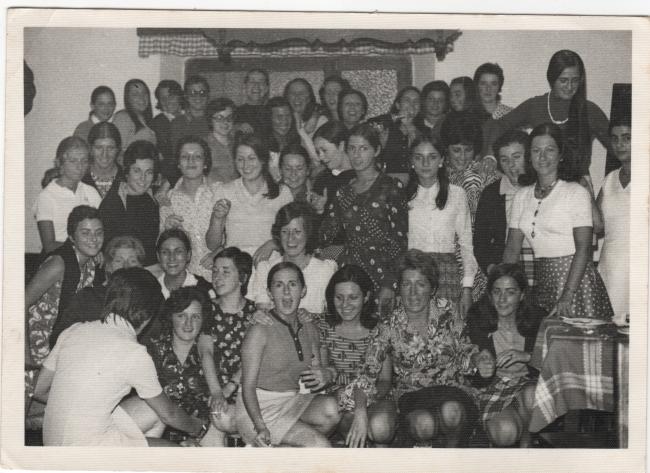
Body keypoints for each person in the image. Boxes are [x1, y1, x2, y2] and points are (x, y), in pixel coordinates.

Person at [32, 267, 208, 446]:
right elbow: (169, 414)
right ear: (147, 316)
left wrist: (79, 407)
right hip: (85, 451)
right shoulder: (134, 353)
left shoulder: (74, 330)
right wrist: (197, 427)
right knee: (179, 452)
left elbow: (38, 389)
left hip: (52, 444)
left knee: (150, 408)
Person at [342, 250, 495, 447]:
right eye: (407, 284)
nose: (413, 292)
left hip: (453, 390)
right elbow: (366, 373)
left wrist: (478, 361)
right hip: (413, 395)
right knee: (423, 424)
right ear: (399, 288)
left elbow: (465, 351)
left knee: (452, 411)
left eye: (420, 284)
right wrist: (360, 413)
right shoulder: (388, 325)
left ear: (432, 289)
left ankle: (454, 454)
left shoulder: (448, 311)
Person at [503, 122, 614, 320]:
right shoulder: (522, 196)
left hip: (577, 283)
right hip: (542, 280)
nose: (542, 157)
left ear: (561, 154)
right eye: (536, 150)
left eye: (550, 150)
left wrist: (567, 295)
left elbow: (584, 248)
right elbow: (512, 248)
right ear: (529, 156)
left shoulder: (575, 192)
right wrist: (504, 287)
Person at [236, 262, 341, 447]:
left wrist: (328, 374)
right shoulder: (259, 329)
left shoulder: (309, 327)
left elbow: (317, 377)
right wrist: (260, 427)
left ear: (303, 290)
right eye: (279, 285)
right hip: (257, 410)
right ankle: (276, 446)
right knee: (320, 446)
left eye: (292, 284)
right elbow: (247, 387)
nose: (286, 291)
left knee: (333, 409)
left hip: (291, 401)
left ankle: (282, 449)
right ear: (269, 293)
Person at [319, 123, 408, 312]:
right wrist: (319, 211)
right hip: (351, 272)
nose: (357, 155)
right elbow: (327, 235)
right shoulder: (344, 191)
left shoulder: (391, 187)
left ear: (376, 150)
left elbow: (399, 241)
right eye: (352, 148)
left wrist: (389, 283)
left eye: (363, 148)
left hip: (383, 270)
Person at [482, 50, 610, 179]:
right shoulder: (536, 106)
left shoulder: (590, 110)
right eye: (563, 80)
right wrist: (490, 156)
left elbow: (616, 145)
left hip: (577, 183)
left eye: (575, 80)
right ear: (552, 79)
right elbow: (499, 125)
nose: (570, 86)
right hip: (541, 181)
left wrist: (613, 182)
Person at [465, 263, 546, 447]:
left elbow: (556, 362)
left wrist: (527, 356)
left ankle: (527, 444)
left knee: (533, 394)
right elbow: (467, 360)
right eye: (497, 291)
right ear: (489, 294)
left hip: (528, 384)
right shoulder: (477, 318)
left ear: (522, 295)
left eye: (510, 292)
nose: (502, 299)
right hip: (493, 387)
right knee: (505, 433)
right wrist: (477, 362)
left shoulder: (538, 318)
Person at [316, 265, 395, 447]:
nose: (345, 305)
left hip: (375, 396)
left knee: (380, 427)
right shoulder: (322, 327)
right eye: (339, 297)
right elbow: (325, 379)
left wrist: (364, 403)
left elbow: (385, 380)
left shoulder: (379, 329)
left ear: (366, 297)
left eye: (353, 297)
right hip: (339, 400)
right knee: (348, 419)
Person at [405, 135, 477, 317]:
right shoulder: (402, 195)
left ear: (442, 160)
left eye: (432, 157)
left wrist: (467, 288)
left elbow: (466, 244)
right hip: (412, 273)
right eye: (419, 157)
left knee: (446, 329)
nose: (425, 163)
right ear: (412, 161)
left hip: (446, 273)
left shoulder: (457, 194)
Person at [26, 205, 105, 369]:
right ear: (71, 237)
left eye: (99, 233)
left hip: (62, 345)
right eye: (85, 233)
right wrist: (25, 357)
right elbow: (19, 304)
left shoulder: (92, 263)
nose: (94, 239)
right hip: (37, 345)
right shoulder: (58, 264)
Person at [197, 247, 258, 446]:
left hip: (244, 388)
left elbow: (254, 357)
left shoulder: (256, 313)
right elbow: (205, 351)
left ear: (242, 277)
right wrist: (217, 392)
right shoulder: (207, 308)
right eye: (215, 271)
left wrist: (229, 388)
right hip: (211, 385)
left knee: (222, 418)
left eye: (225, 271)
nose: (217, 277)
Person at [49, 235, 147, 348]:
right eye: (118, 260)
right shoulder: (86, 298)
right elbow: (58, 338)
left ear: (141, 268)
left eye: (133, 261)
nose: (126, 266)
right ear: (108, 267)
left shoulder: (147, 300)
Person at [205, 134, 293, 259]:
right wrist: (217, 219)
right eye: (240, 159)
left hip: (272, 265)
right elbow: (212, 246)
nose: (246, 165)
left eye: (252, 158)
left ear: (263, 159)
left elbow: (293, 235)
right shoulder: (224, 191)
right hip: (236, 266)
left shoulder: (282, 193)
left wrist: (273, 243)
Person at [144, 286, 212, 443]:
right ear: (171, 317)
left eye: (195, 317)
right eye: (182, 316)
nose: (188, 323)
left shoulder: (211, 354)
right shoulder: (152, 352)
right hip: (158, 435)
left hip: (203, 434)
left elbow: (220, 403)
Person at [249, 201, 337, 314]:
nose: (290, 238)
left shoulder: (325, 270)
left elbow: (332, 315)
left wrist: (310, 318)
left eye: (297, 231)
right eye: (285, 231)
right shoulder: (266, 269)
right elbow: (263, 314)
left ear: (308, 233)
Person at [474, 129, 536, 287]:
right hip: (507, 268)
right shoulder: (492, 193)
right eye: (504, 160)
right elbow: (480, 240)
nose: (511, 165)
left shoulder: (542, 187)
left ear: (529, 156)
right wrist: (492, 268)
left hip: (542, 265)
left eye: (517, 157)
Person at [159, 135, 222, 279]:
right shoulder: (168, 199)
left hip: (220, 273)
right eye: (185, 156)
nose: (190, 161)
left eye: (197, 157)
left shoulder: (218, 191)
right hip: (188, 279)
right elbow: (162, 247)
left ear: (205, 163)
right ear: (178, 163)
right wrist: (167, 230)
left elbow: (235, 232)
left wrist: (219, 251)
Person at [34, 137, 101, 253]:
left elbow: (102, 229)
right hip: (58, 256)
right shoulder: (47, 196)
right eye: (73, 161)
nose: (79, 167)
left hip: (88, 253)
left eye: (84, 161)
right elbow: (49, 245)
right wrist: (83, 250)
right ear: (59, 163)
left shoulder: (91, 192)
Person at [99, 140, 160, 266]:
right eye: (137, 171)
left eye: (148, 172)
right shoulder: (113, 203)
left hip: (151, 267)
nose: (143, 178)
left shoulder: (151, 198)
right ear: (127, 172)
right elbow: (110, 256)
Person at [595, 117, 631, 323]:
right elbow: (597, 227)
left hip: (639, 268)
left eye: (627, 138)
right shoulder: (609, 180)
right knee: (610, 328)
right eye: (615, 138)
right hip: (610, 267)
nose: (620, 144)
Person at [369, 86, 423, 185]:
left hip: (415, 182)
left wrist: (409, 127)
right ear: (398, 105)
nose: (412, 104)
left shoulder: (423, 131)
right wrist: (398, 117)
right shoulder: (386, 128)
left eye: (416, 101)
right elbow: (370, 125)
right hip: (386, 183)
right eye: (407, 100)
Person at [169, 75, 211, 184]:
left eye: (202, 92)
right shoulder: (178, 123)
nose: (198, 97)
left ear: (208, 96)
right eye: (193, 93)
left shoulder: (215, 120)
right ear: (186, 96)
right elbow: (176, 156)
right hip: (187, 175)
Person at [154, 229, 212, 300]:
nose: (172, 258)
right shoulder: (152, 289)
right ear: (158, 256)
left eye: (178, 251)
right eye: (165, 252)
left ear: (188, 255)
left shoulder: (204, 289)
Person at [151, 80, 184, 180]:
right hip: (168, 175)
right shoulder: (156, 123)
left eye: (171, 96)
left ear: (180, 97)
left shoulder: (189, 117)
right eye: (163, 98)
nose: (167, 101)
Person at [112, 79, 157, 152]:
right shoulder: (122, 118)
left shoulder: (147, 120)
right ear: (128, 98)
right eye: (135, 94)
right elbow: (118, 152)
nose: (142, 97)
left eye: (144, 93)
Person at [82, 122, 123, 198]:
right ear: (90, 149)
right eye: (99, 148)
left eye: (110, 148)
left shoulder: (128, 178)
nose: (104, 155)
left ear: (118, 149)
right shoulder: (80, 178)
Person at [265, 96, 301, 181]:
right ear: (269, 119)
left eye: (288, 116)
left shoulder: (296, 141)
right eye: (279, 117)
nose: (284, 121)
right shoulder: (261, 146)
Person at [204, 98, 238, 184]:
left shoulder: (238, 143)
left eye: (229, 117)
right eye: (219, 118)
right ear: (210, 120)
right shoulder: (203, 146)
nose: (225, 122)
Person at [233, 68, 271, 136]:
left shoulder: (272, 112)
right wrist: (235, 128)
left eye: (261, 82)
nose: (256, 85)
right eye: (252, 81)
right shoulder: (235, 112)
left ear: (266, 88)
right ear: (245, 86)